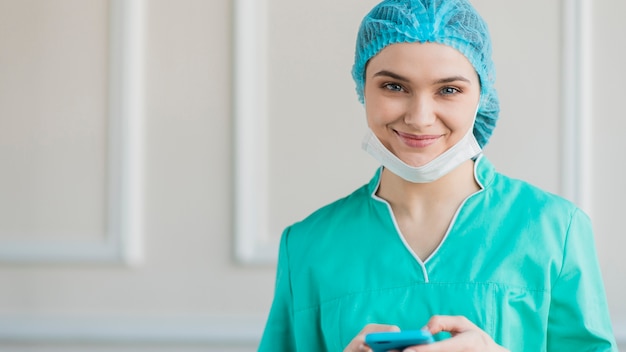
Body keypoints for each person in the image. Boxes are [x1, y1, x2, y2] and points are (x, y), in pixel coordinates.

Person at [258, 0, 617, 350]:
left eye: (448, 90)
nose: (420, 117)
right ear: (362, 88)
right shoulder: (306, 246)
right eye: (394, 87)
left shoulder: (555, 230)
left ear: (481, 96)